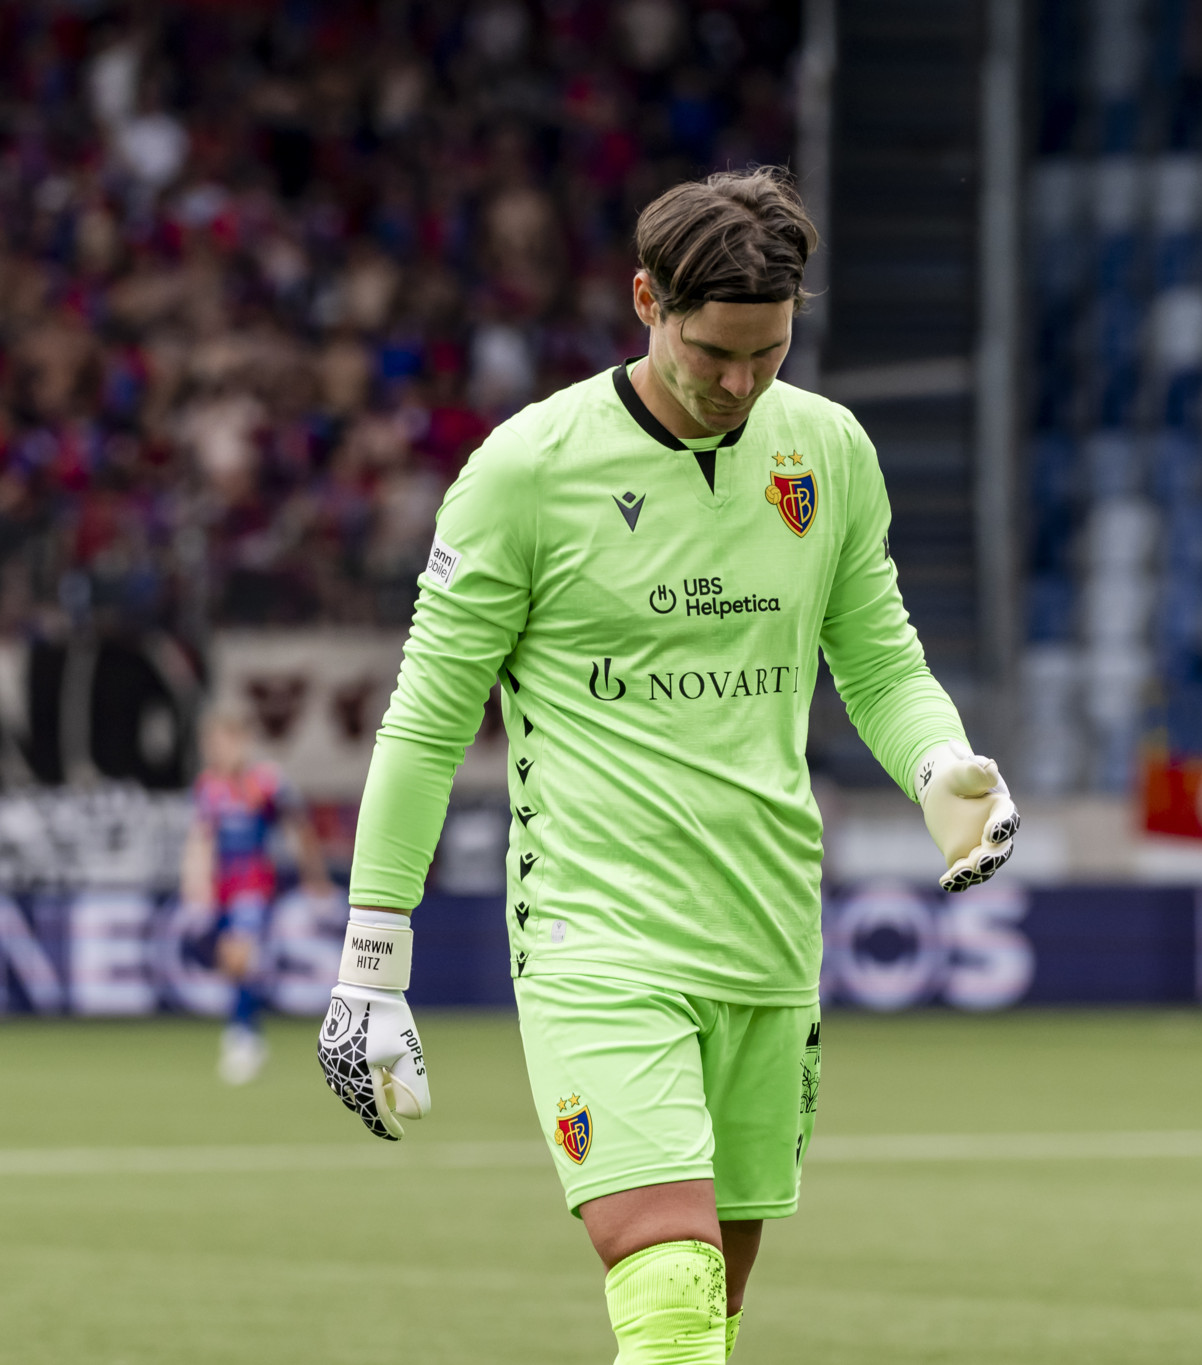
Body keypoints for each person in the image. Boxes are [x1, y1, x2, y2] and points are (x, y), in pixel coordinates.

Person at [314, 168, 1019, 1365]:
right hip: (597, 935)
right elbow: (426, 721)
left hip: (767, 930)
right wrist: (371, 963)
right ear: (645, 301)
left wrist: (939, 765)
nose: (739, 386)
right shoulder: (524, 472)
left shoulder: (827, 451)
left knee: (709, 1318)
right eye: (711, 355)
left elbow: (877, 659)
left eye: (767, 354)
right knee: (672, 1288)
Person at [181, 706, 332, 1085]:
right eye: (211, 744)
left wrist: (313, 875)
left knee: (238, 954)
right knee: (230, 960)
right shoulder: (208, 787)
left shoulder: (266, 782)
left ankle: (242, 1036)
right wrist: (195, 883)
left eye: (223, 742)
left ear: (241, 741)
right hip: (222, 887)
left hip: (254, 884)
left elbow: (300, 827)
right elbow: (201, 838)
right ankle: (248, 1031)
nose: (217, 750)